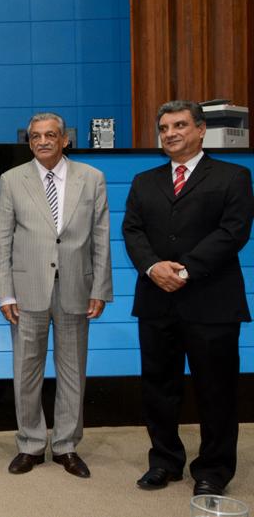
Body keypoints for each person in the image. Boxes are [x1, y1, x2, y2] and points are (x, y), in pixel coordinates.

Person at [122, 100, 254, 496]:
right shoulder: (144, 181)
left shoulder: (233, 177)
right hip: (156, 300)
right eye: (163, 128)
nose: (170, 134)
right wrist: (152, 268)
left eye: (179, 125)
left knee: (216, 390)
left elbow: (233, 233)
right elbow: (132, 231)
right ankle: (164, 462)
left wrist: (184, 270)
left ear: (200, 130)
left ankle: (213, 470)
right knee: (159, 388)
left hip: (211, 300)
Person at [0, 112, 112, 479]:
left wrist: (101, 288)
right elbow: (4, 239)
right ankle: (29, 443)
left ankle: (65, 445)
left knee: (73, 371)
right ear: (28, 142)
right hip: (27, 290)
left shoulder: (92, 179)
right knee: (25, 372)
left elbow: (101, 236)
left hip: (77, 285)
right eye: (35, 137)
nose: (42, 141)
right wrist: (4, 292)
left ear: (64, 140)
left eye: (50, 135)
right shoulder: (12, 179)